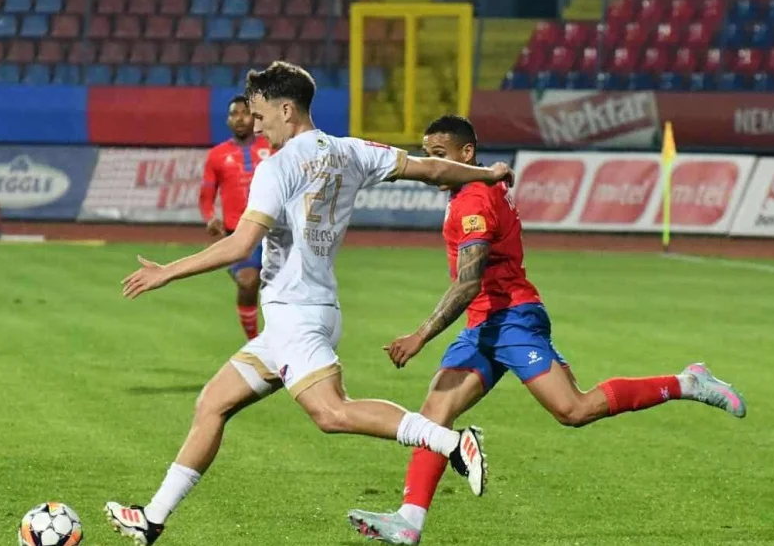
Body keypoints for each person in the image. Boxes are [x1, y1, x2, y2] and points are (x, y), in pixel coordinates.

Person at [105, 63, 514, 545]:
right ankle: (152, 518)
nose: (256, 127)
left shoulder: (275, 167)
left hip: (297, 315)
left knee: (332, 413)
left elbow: (240, 246)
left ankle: (450, 443)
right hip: (298, 314)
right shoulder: (351, 150)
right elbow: (429, 169)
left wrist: (166, 272)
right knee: (212, 404)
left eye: (260, 117)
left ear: (286, 109)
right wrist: (485, 173)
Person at [346, 116, 747, 546]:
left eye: (439, 155)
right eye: (427, 154)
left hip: (511, 319)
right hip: (485, 324)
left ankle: (688, 382)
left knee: (573, 409)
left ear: (466, 154)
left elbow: (468, 283)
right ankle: (409, 521)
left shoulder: (473, 202)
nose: (431, 164)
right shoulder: (475, 189)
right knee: (434, 417)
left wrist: (420, 335)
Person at [198, 94, 273, 340]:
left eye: (245, 112)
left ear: (255, 117)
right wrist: (210, 218)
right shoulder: (217, 156)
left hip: (274, 232)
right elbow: (206, 197)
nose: (240, 118)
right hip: (238, 235)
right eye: (234, 114)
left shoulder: (271, 147)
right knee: (248, 281)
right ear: (228, 120)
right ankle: (254, 342)